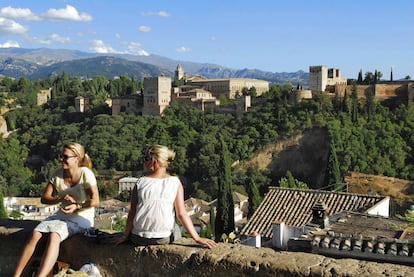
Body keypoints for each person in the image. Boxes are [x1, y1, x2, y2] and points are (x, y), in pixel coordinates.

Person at [14, 142, 100, 277]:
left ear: (76, 159)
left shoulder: (85, 174)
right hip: (63, 213)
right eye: (61, 156)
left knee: (55, 235)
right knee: (36, 233)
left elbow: (95, 200)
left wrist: (77, 206)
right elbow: (45, 198)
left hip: (82, 216)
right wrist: (59, 199)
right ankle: (17, 275)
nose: (61, 159)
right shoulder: (57, 174)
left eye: (65, 157)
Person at [116, 144, 217, 249]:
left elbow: (132, 212)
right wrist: (197, 238)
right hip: (162, 238)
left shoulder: (140, 182)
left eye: (146, 158)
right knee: (177, 228)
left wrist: (124, 236)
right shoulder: (175, 182)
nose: (143, 161)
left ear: (154, 161)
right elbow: (181, 214)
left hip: (139, 237)